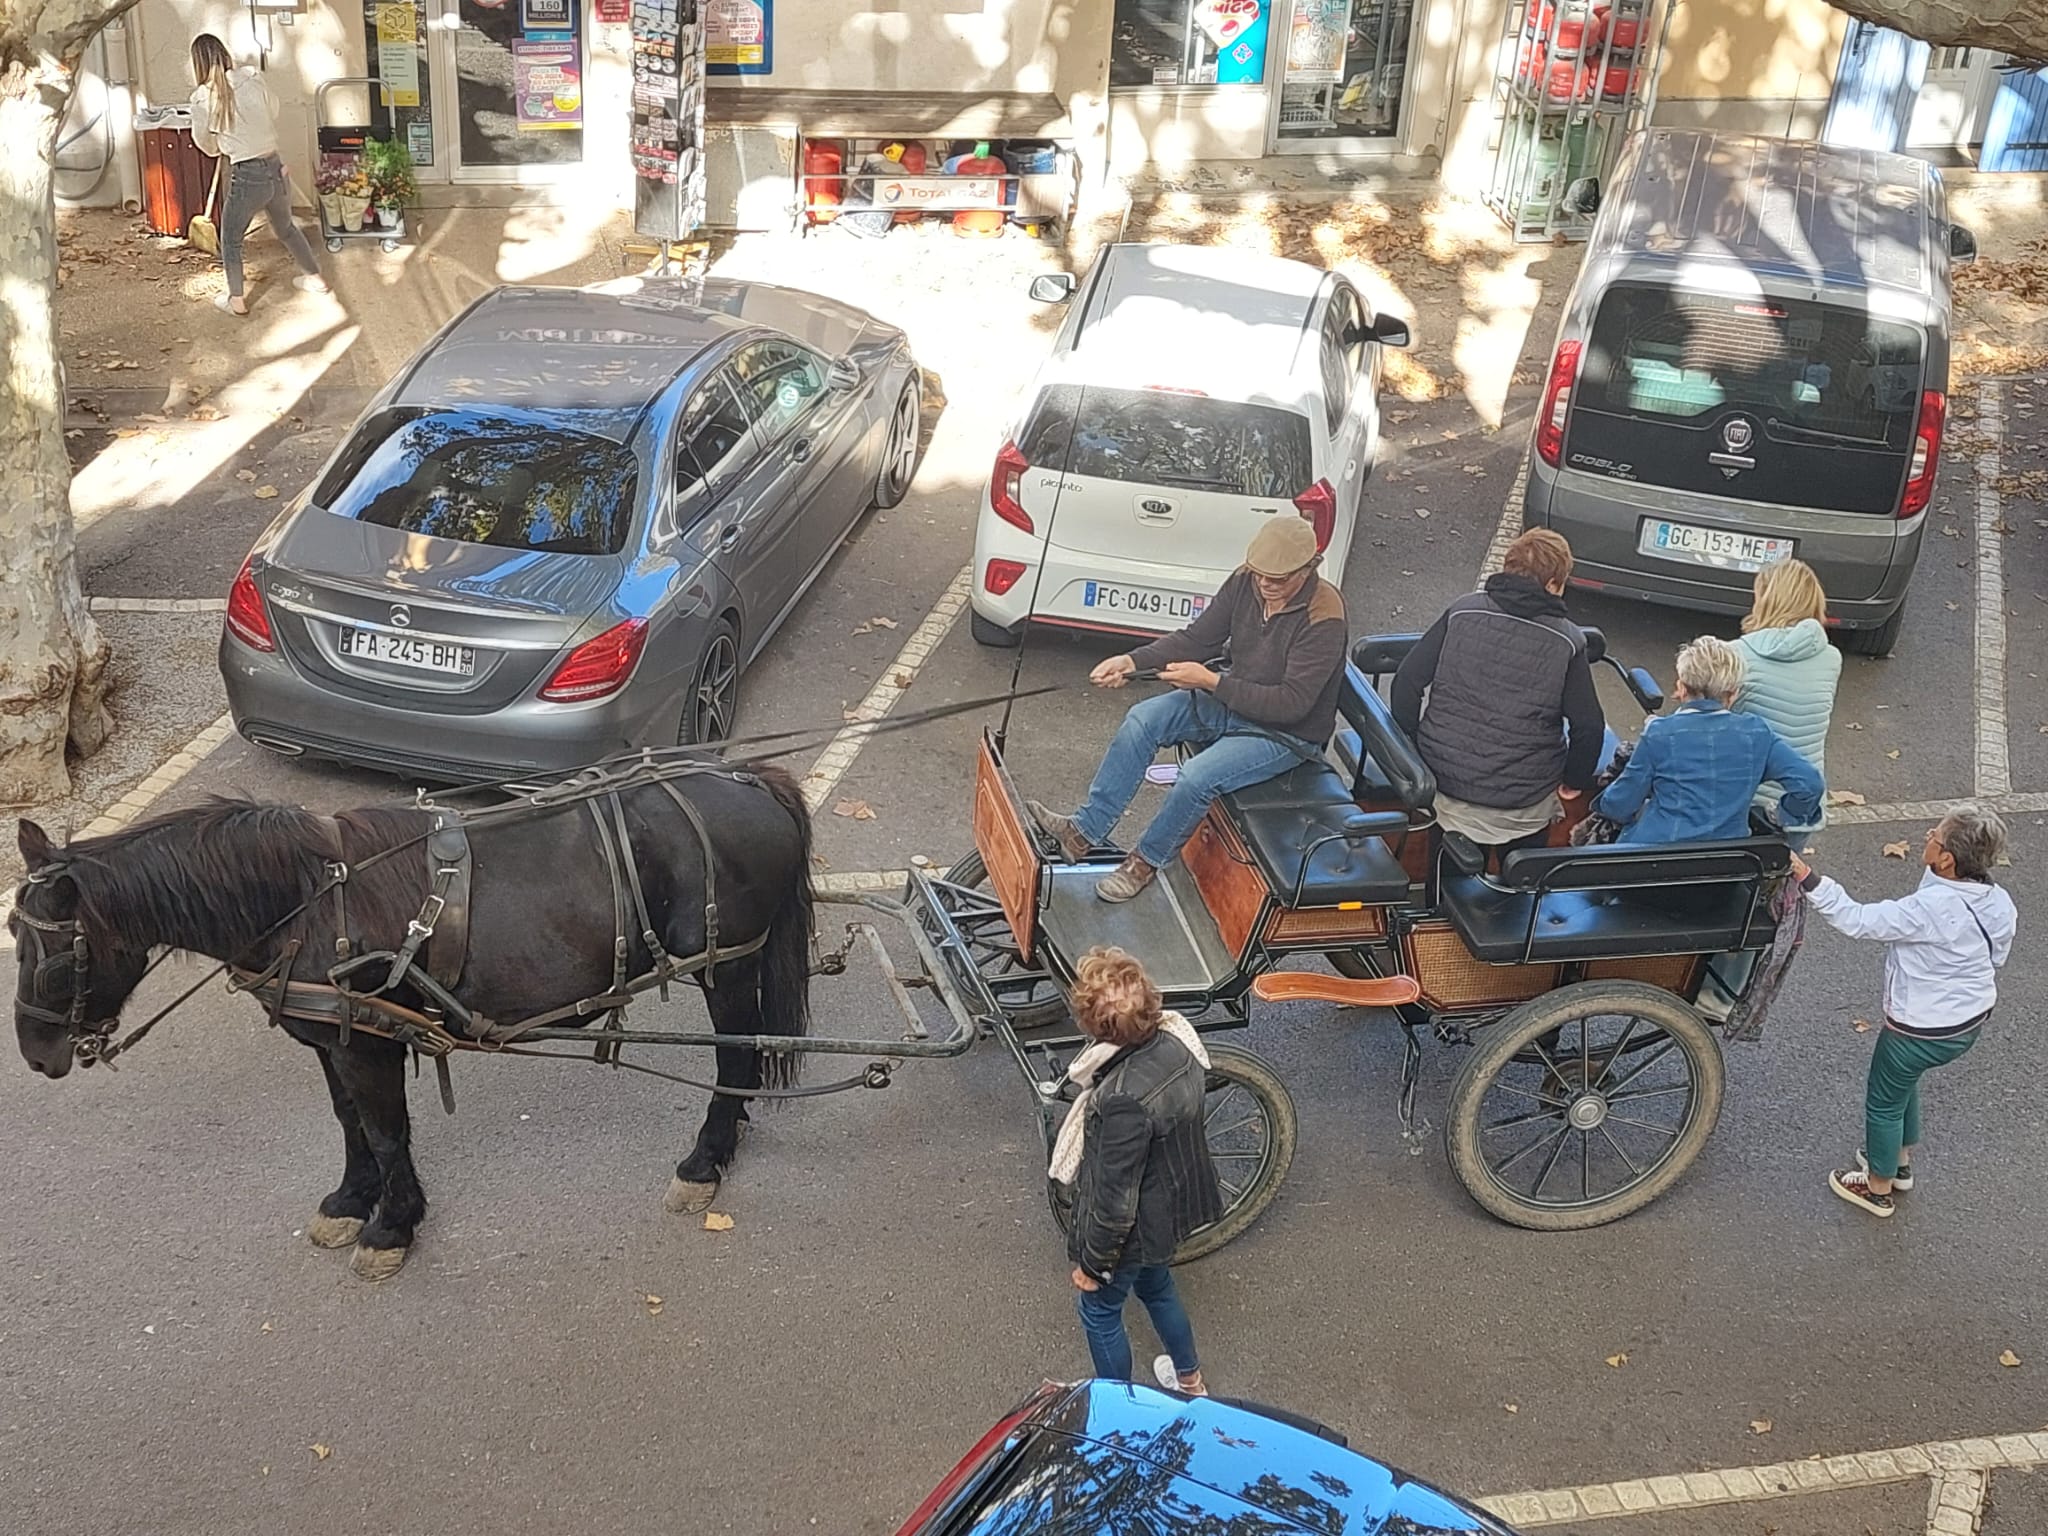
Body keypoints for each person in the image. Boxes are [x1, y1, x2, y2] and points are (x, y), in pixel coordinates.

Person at [1031, 517, 1348, 902]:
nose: (1265, 584)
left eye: (1277, 579)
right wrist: (1132, 662)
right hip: (1232, 700)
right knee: (1142, 720)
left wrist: (1211, 682)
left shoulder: (1324, 615)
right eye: (1260, 573)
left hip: (1286, 735)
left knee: (1197, 777)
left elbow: (1291, 704)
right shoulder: (1245, 580)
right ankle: (1083, 833)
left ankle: (1144, 863)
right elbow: (1199, 638)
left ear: (1307, 568)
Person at [1790, 807, 2016, 1217]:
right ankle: (1900, 1162)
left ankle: (1877, 1187)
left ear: (1947, 859)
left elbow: (1857, 920)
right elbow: (1997, 956)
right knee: (1903, 1087)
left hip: (1916, 1031)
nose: (1928, 836)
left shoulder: (1927, 910)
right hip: (1968, 1023)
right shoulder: (1998, 902)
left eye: (1936, 835)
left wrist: (1809, 878)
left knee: (1883, 1101)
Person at [1060, 946, 1221, 1394]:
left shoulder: (1122, 1098)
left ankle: (1122, 1410)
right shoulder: (1177, 1041)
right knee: (1157, 1286)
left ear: (1094, 1026)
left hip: (1139, 1224)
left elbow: (1114, 1201)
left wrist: (1093, 1265)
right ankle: (1190, 1380)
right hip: (1171, 1204)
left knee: (1099, 1311)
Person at [1390, 529, 1604, 854]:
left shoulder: (1462, 611)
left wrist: (1414, 747)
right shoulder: (1567, 641)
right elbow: (1588, 727)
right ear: (1553, 584)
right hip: (1523, 799)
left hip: (1445, 783)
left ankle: (1440, 899)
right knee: (1518, 881)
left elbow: (1406, 682)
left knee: (1445, 873)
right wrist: (1573, 782)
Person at [1593, 635, 1824, 844]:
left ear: (1681, 688)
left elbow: (1620, 805)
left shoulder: (1660, 734)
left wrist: (1603, 801)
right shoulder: (1757, 733)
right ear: (1734, 693)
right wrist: (1782, 815)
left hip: (1657, 856)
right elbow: (1809, 783)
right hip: (1727, 862)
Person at [188, 35, 329, 317]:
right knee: (286, 227)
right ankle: (315, 278)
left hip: (246, 174)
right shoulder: (253, 78)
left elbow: (205, 144)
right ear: (225, 55)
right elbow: (273, 110)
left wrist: (222, 145)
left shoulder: (202, 98)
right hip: (275, 166)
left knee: (231, 239)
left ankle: (236, 300)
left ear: (198, 64)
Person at [1732, 559, 1841, 838]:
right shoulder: (1831, 658)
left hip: (1747, 805)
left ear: (1768, 600)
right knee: (1785, 877)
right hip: (1801, 804)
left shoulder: (1736, 655)